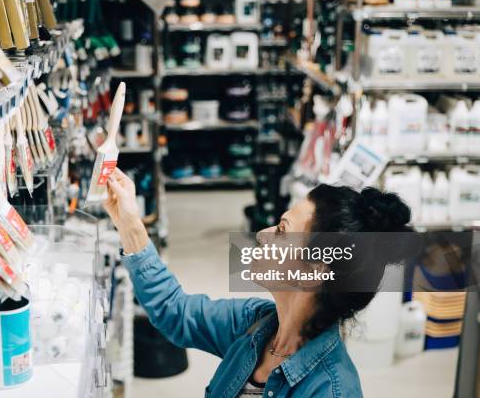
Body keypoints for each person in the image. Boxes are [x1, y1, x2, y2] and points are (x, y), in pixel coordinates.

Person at [104, 168, 411, 398]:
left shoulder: (331, 390)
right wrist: (129, 223)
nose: (262, 234)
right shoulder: (256, 324)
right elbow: (177, 312)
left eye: (281, 229)